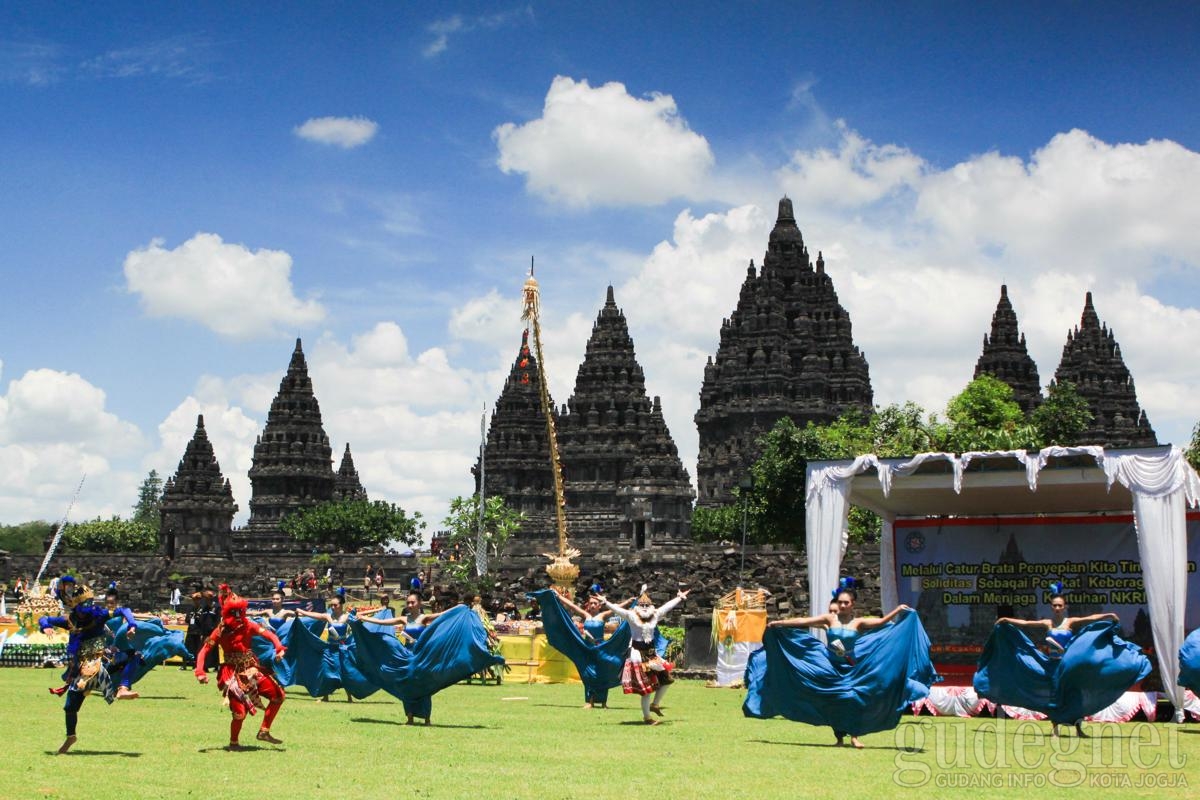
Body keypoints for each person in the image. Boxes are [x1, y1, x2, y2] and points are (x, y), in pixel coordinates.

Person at [745, 577, 934, 750]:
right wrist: (779, 623)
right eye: (840, 602)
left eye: (846, 602)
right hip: (829, 667)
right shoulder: (830, 619)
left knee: (853, 698)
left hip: (851, 668)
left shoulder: (858, 623)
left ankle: (854, 736)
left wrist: (899, 610)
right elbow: (804, 620)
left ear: (852, 605)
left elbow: (882, 622)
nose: (842, 605)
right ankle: (839, 738)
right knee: (832, 700)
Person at [976, 582, 1150, 738]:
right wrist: (1007, 620)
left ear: (1064, 607)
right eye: (1054, 606)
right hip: (1052, 665)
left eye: (1060, 605)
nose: (1057, 608)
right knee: (1055, 697)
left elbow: (1089, 619)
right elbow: (1026, 623)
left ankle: (1079, 728)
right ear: (1052, 607)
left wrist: (1108, 615)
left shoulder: (1070, 621)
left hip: (1069, 666)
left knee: (1076, 696)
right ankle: (1055, 729)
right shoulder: (1048, 623)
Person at [351, 604, 505, 725]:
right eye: (408, 602)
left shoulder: (424, 618)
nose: (409, 604)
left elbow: (442, 615)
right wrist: (364, 620)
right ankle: (410, 718)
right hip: (407, 656)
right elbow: (383, 622)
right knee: (407, 685)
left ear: (418, 604)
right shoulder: (405, 619)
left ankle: (426, 719)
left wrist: (459, 607)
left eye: (412, 602)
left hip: (422, 656)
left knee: (425, 685)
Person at [39, 576, 138, 754]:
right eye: (84, 605)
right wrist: (45, 626)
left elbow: (124, 610)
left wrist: (131, 623)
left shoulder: (98, 615)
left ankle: (123, 688)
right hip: (80, 667)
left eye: (90, 603)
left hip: (101, 659)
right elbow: (44, 619)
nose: (88, 608)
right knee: (70, 707)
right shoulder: (70, 620)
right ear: (77, 606)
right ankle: (71, 736)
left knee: (133, 655)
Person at [194, 591, 287, 750]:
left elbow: (269, 635)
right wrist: (200, 672)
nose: (238, 616)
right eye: (234, 612)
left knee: (278, 696)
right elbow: (204, 651)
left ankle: (264, 731)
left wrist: (279, 647)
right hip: (231, 673)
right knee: (240, 714)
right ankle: (234, 743)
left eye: (240, 612)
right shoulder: (220, 630)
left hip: (251, 668)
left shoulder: (248, 624)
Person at [599, 586, 689, 725]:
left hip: (652, 653)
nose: (645, 607)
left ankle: (655, 704)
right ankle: (647, 717)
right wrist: (606, 602)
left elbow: (667, 606)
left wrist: (679, 598)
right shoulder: (631, 615)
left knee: (666, 678)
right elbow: (618, 610)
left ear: (651, 605)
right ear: (638, 606)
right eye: (642, 605)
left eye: (647, 605)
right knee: (646, 689)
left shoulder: (655, 614)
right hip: (637, 654)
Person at [531, 589, 631, 709]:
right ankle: (589, 701)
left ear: (600, 605)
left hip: (600, 649)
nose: (593, 605)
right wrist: (558, 597)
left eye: (595, 603)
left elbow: (616, 609)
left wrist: (629, 602)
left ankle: (603, 702)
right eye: (591, 603)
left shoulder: (603, 615)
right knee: (587, 674)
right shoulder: (586, 615)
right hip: (586, 649)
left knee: (603, 673)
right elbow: (572, 606)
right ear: (588, 605)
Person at [296, 591, 355, 702]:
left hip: (342, 650)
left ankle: (349, 697)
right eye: (331, 605)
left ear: (341, 605)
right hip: (330, 649)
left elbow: (359, 623)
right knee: (326, 672)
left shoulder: (347, 617)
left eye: (335, 605)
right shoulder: (328, 616)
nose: (332, 607)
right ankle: (325, 696)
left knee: (344, 673)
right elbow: (315, 615)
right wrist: (302, 611)